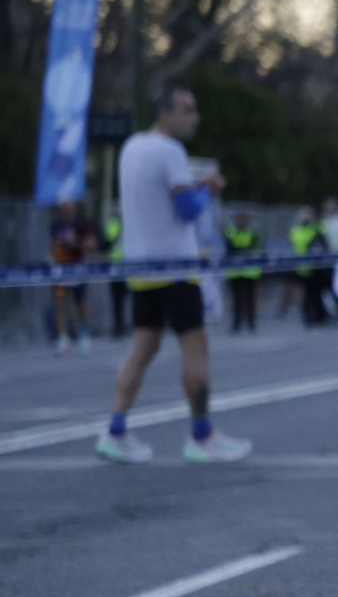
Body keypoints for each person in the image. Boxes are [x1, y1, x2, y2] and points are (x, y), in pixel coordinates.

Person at [95, 85, 251, 464]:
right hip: (177, 268)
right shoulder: (170, 151)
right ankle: (202, 435)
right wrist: (210, 189)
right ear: (165, 114)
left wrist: (194, 189)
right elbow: (188, 210)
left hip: (140, 266)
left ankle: (115, 430)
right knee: (195, 348)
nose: (194, 117)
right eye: (187, 110)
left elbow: (160, 201)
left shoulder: (133, 147)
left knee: (143, 347)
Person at [49, 200, 94, 354]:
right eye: (64, 205)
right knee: (60, 302)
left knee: (80, 303)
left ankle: (85, 336)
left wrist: (78, 243)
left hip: (78, 268)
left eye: (69, 204)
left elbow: (91, 244)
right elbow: (53, 245)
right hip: (61, 269)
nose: (67, 207)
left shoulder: (81, 223)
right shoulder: (56, 225)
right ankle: (63, 338)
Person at [222, 211, 262, 334]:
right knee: (237, 300)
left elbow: (253, 249)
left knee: (250, 299)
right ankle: (236, 324)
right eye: (239, 218)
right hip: (235, 272)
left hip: (250, 272)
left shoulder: (253, 233)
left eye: (244, 218)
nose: (242, 221)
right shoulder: (230, 231)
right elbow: (229, 248)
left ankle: (252, 324)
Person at [289, 206, 327, 328]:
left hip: (316, 268)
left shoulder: (317, 229)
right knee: (306, 294)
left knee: (316, 293)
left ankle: (318, 317)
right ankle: (308, 317)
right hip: (303, 268)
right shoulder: (297, 231)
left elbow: (324, 245)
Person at [101, 208, 129, 338]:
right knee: (116, 300)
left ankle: (135, 326)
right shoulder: (113, 224)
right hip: (116, 267)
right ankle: (118, 327)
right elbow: (105, 244)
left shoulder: (133, 223)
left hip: (131, 266)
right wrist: (117, 235)